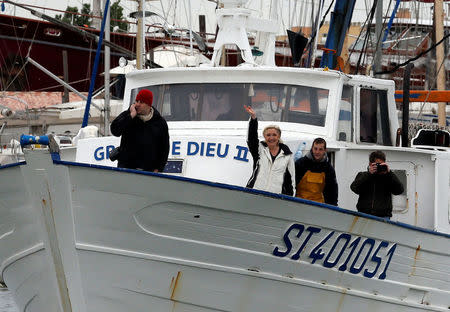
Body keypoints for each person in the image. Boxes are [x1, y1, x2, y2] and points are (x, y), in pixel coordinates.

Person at [110, 89, 169, 172]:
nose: (137, 104)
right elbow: (115, 130)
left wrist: (158, 169)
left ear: (148, 104)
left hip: (148, 172)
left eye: (141, 102)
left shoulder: (160, 122)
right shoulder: (128, 115)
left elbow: (164, 148)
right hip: (126, 169)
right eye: (136, 101)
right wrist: (131, 116)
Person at [244, 105, 295, 195]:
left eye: (274, 135)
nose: (271, 138)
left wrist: (291, 199)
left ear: (278, 137)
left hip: (275, 198)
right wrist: (253, 119)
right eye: (268, 135)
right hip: (254, 194)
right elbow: (251, 138)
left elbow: (291, 181)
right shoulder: (259, 150)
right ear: (264, 137)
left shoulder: (287, 155)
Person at [350, 150, 404, 218]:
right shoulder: (363, 175)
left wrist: (389, 173)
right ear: (370, 164)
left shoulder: (388, 177)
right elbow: (354, 188)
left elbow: (399, 190)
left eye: (381, 164)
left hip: (383, 216)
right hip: (363, 215)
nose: (379, 167)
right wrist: (369, 174)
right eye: (377, 165)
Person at [295, 138, 338, 205]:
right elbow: (291, 183)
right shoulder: (300, 163)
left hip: (318, 206)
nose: (317, 152)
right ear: (312, 148)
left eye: (320, 149)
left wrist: (333, 207)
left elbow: (331, 191)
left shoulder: (328, 168)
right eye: (315, 149)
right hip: (298, 203)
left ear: (325, 150)